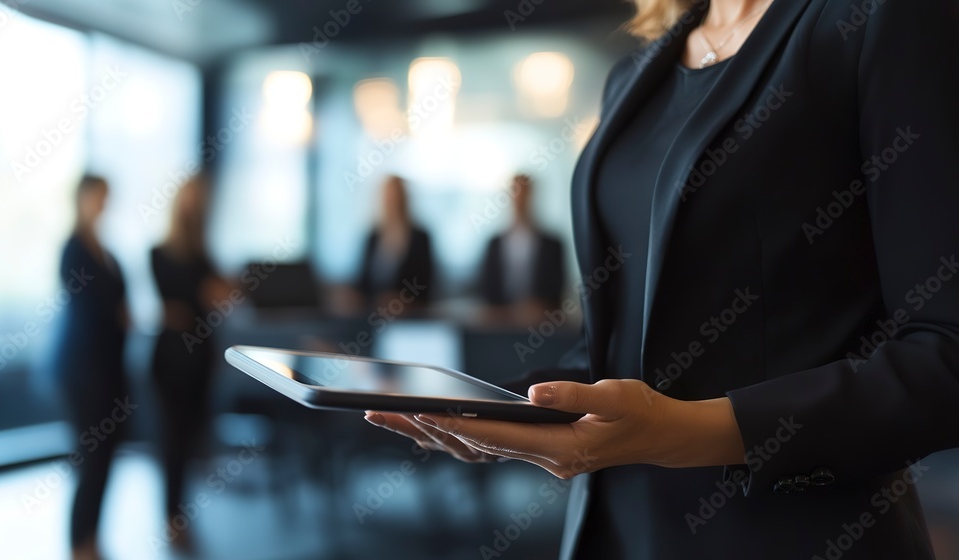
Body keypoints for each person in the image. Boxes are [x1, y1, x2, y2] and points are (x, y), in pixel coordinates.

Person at [365, 0, 959, 558]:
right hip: (615, 528)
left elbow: (945, 356)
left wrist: (684, 431)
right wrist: (509, 404)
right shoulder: (635, 73)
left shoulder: (879, 21)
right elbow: (624, 345)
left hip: (793, 534)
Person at [150, 173, 229, 552]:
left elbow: (215, 301)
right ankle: (171, 516)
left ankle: (179, 513)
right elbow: (177, 307)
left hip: (199, 359)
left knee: (191, 438)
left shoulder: (203, 255)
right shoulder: (160, 253)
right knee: (173, 440)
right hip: (170, 360)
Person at [55, 175, 129, 560]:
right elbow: (91, 307)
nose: (103, 204)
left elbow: (119, 304)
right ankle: (78, 541)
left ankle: (93, 538)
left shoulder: (107, 252)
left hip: (110, 370)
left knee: (106, 457)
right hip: (83, 373)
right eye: (99, 197)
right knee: (90, 456)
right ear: (82, 198)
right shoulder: (74, 250)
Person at [477, 174, 565, 324]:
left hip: (540, 324)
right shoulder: (494, 243)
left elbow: (556, 290)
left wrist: (537, 307)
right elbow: (486, 287)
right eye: (515, 192)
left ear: (532, 196)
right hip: (500, 323)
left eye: (524, 193)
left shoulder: (552, 244)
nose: (520, 198)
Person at [355, 175, 434, 308]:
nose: (392, 200)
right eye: (388, 196)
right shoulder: (372, 237)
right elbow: (363, 282)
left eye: (395, 195)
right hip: (374, 312)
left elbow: (425, 281)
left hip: (410, 314)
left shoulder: (420, 237)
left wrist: (403, 300)